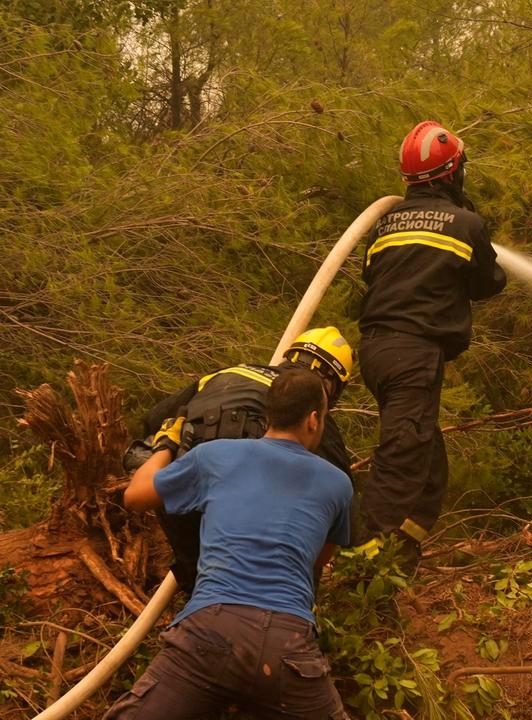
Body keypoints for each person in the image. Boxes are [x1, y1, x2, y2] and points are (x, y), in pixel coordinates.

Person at [106, 369, 352, 719]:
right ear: (314, 419)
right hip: (288, 645)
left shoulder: (214, 456)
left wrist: (164, 445)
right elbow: (319, 558)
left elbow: (135, 496)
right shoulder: (338, 484)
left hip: (210, 631)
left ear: (270, 412)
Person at [357, 120, 506, 553]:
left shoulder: (384, 224)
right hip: (412, 355)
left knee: (428, 474)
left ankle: (396, 567)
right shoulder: (466, 223)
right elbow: (487, 283)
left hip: (377, 353)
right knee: (400, 465)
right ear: (453, 173)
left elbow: (373, 275)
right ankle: (357, 576)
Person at [122, 327, 355, 594]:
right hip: (247, 512)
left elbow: (154, 419)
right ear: (332, 388)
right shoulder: (311, 413)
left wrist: (165, 447)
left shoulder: (226, 374)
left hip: (180, 481)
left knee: (202, 578)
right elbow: (340, 509)